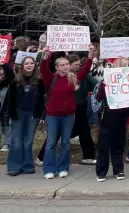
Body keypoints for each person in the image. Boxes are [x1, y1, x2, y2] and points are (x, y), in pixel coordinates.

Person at [40, 51, 92, 179]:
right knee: (51, 143)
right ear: (57, 67)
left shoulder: (73, 78)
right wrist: (46, 55)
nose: (65, 66)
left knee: (65, 143)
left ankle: (63, 167)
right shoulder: (51, 78)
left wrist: (90, 57)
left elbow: (84, 71)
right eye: (62, 65)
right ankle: (49, 169)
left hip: (68, 115)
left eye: (67, 64)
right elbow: (43, 68)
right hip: (52, 115)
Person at [94, 58, 129, 182]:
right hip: (110, 113)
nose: (128, 67)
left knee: (119, 143)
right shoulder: (108, 79)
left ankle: (118, 169)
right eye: (126, 65)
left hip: (123, 114)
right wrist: (103, 85)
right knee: (104, 144)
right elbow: (99, 97)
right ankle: (101, 171)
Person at [2, 57, 44, 176]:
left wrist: (41, 114)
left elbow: (42, 99)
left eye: (31, 63)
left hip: (32, 114)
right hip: (18, 114)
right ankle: (14, 167)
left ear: (35, 66)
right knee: (16, 141)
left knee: (28, 141)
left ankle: (27, 166)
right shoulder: (15, 81)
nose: (29, 65)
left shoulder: (39, 81)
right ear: (22, 65)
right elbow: (8, 100)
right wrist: (6, 116)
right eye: (27, 63)